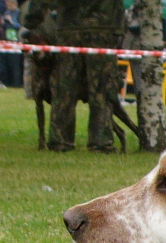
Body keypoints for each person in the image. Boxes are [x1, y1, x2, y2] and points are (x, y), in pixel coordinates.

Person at [23, 0, 124, 152]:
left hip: (69, 29)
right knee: (101, 88)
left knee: (65, 88)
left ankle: (60, 140)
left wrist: (32, 20)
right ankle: (101, 142)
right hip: (103, 29)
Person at [1, 0, 21, 88]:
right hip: (7, 39)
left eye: (10, 5)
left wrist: (11, 21)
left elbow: (20, 26)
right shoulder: (6, 12)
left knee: (15, 64)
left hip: (16, 40)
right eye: (7, 5)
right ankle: (7, 83)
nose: (9, 6)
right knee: (7, 62)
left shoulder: (18, 13)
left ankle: (17, 84)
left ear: (15, 4)